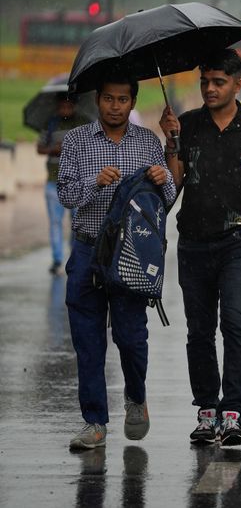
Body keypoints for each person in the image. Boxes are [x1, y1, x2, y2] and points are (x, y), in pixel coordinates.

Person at [159, 48, 241, 447]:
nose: (209, 89)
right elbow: (173, 185)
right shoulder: (189, 125)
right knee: (199, 331)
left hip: (240, 241)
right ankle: (206, 411)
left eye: (218, 82)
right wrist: (172, 140)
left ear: (237, 84)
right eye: (204, 82)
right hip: (193, 243)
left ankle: (232, 413)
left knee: (234, 321)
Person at [57, 72, 176, 450]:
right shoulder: (76, 140)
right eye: (108, 98)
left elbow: (167, 200)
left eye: (122, 99)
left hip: (131, 254)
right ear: (98, 100)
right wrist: (95, 181)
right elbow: (65, 193)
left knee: (131, 337)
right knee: (88, 341)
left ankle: (136, 397)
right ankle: (94, 422)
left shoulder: (147, 142)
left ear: (132, 102)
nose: (114, 106)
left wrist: (163, 178)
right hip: (88, 249)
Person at [37, 93, 90, 274]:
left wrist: (70, 149)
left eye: (68, 105)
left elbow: (91, 148)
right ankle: (57, 259)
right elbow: (39, 148)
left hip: (77, 182)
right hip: (53, 182)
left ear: (74, 105)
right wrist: (53, 149)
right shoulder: (50, 124)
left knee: (78, 223)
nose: (65, 109)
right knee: (55, 223)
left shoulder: (83, 123)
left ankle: (75, 256)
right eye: (62, 106)